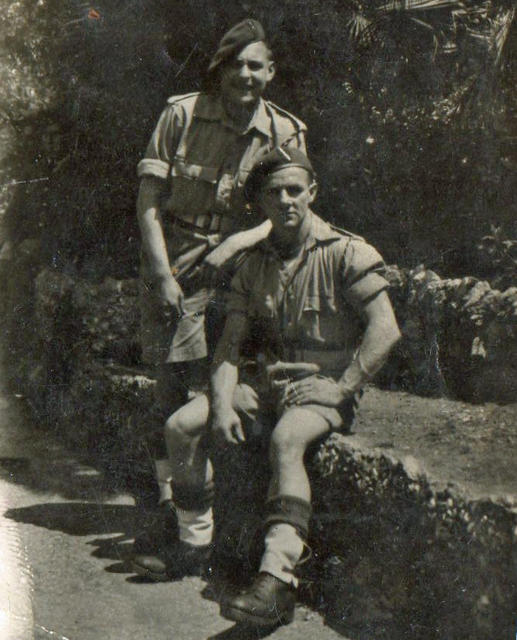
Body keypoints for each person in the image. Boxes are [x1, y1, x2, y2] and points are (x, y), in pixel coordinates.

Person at [155, 147, 401, 625]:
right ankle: (194, 543)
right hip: (268, 382)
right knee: (181, 425)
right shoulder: (255, 263)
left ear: (313, 192)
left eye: (295, 189)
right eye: (275, 192)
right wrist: (224, 403)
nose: (287, 200)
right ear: (261, 205)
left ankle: (278, 580)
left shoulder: (348, 251)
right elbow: (228, 346)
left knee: (288, 439)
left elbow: (385, 329)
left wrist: (343, 387)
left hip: (321, 388)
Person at [132, 19, 307, 574]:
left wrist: (240, 238)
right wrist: (162, 276)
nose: (247, 76)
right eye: (238, 65)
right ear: (221, 69)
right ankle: (172, 510)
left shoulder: (285, 131)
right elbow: (148, 204)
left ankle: (206, 534)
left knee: (210, 392)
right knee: (167, 393)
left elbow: (290, 206)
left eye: (258, 66)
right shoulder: (181, 114)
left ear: (271, 72)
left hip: (243, 267)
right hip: (176, 260)